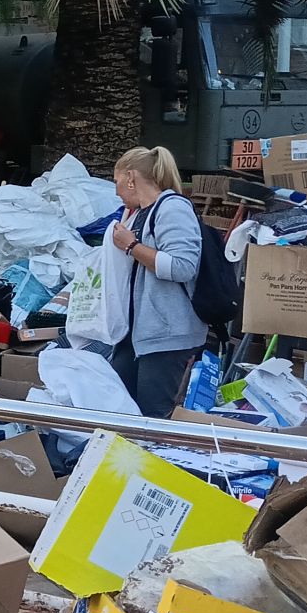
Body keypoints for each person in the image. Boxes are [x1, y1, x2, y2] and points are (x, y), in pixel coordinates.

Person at [106, 146, 207, 417]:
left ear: (130, 178)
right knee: (120, 411)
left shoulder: (172, 208)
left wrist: (132, 246)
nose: (115, 191)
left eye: (116, 181)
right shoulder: (141, 212)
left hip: (166, 335)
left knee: (153, 418)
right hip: (137, 334)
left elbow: (183, 266)